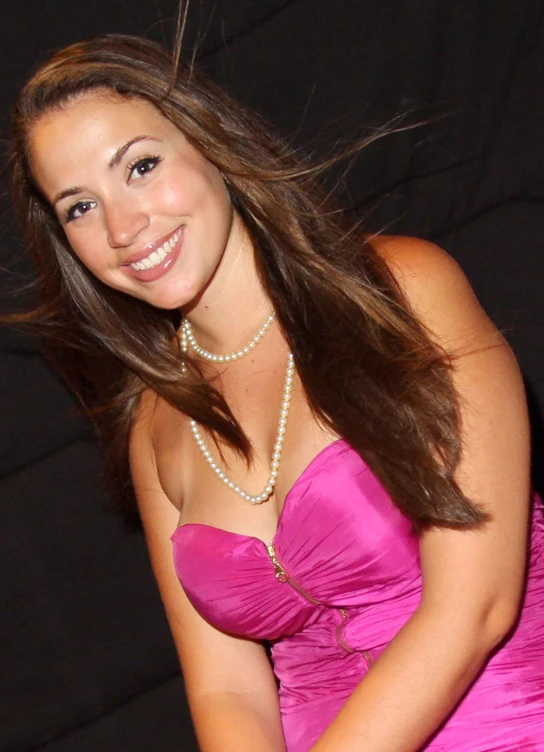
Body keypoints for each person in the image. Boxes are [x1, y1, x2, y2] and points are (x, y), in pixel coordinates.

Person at [10, 33, 544, 752]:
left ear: (210, 146)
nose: (123, 226)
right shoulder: (154, 428)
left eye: (140, 166)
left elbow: (476, 604)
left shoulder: (398, 292)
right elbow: (225, 692)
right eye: (78, 207)